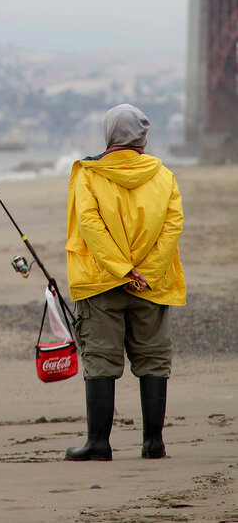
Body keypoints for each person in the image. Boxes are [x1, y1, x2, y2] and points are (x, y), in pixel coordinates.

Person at [64, 103, 185, 461]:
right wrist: (145, 271)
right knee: (153, 359)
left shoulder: (89, 174)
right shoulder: (164, 176)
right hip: (152, 284)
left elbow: (90, 225)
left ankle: (98, 443)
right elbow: (172, 227)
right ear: (142, 138)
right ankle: (153, 443)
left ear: (109, 134)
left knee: (100, 358)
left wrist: (120, 269)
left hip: (101, 283)